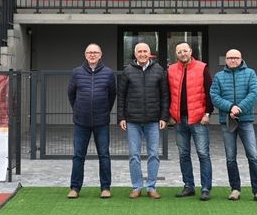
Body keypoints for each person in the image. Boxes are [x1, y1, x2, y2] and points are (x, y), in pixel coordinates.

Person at [209, 48, 257, 202]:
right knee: (230, 157)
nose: (233, 60)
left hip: (245, 120)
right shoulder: (219, 77)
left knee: (253, 156)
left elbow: (254, 93)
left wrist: (239, 108)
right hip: (227, 121)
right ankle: (235, 189)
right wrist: (230, 107)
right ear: (226, 60)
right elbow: (214, 96)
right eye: (229, 58)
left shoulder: (250, 73)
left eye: (236, 57)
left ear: (241, 59)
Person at [117, 42, 169, 199]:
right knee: (134, 155)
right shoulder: (127, 71)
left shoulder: (159, 70)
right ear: (135, 54)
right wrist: (121, 117)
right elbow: (121, 96)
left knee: (153, 154)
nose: (142, 54)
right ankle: (137, 186)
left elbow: (165, 96)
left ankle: (151, 187)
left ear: (150, 53)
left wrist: (163, 117)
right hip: (132, 120)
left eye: (145, 51)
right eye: (139, 51)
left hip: (153, 120)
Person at [66, 43, 116, 198]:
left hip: (101, 121)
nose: (92, 55)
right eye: (89, 52)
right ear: (85, 55)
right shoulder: (76, 73)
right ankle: (75, 188)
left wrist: (104, 111)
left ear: (100, 55)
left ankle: (105, 188)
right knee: (78, 155)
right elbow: (71, 94)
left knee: (104, 155)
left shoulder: (108, 73)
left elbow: (112, 95)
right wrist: (79, 110)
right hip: (81, 121)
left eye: (95, 52)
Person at [167, 41, 214, 201]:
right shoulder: (171, 70)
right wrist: (170, 115)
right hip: (179, 120)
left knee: (203, 154)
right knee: (183, 154)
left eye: (185, 51)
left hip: (199, 119)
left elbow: (210, 92)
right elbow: (167, 94)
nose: (182, 54)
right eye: (179, 52)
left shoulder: (202, 68)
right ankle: (189, 186)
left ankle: (206, 188)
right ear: (176, 54)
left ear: (191, 51)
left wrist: (207, 113)